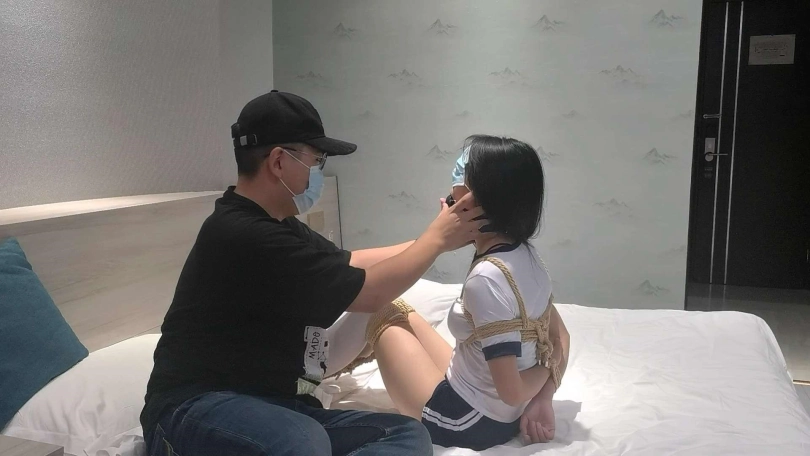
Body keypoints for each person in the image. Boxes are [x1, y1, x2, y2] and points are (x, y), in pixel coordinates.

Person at [139, 90, 487, 456]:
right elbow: (369, 293)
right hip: (194, 406)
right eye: (316, 160)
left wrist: (438, 238)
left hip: (272, 404)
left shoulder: (279, 226)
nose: (317, 171)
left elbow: (351, 262)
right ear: (278, 161)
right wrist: (434, 241)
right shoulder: (241, 233)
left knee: (406, 435)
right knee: (302, 440)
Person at [337, 134, 571, 451]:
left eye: (461, 181)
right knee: (392, 307)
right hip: (489, 404)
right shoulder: (526, 257)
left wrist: (544, 371)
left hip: (466, 422)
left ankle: (309, 376)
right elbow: (560, 336)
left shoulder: (487, 279)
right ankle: (320, 368)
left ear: (475, 200)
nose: (451, 192)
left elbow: (513, 392)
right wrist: (544, 395)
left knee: (378, 314)